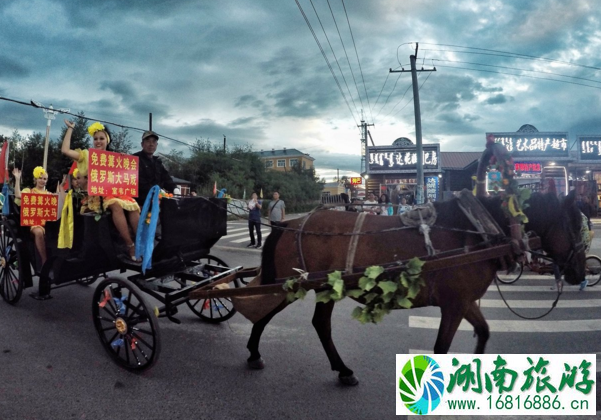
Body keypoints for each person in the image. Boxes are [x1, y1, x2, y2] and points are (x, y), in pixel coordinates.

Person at [61, 120, 141, 262]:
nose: (98, 142)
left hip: (114, 193)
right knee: (116, 204)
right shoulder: (86, 155)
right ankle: (130, 245)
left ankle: (141, 241)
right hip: (95, 198)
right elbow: (65, 151)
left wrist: (124, 161)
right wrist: (70, 129)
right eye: (95, 139)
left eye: (101, 138)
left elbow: (124, 178)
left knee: (134, 206)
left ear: (107, 140)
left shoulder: (113, 158)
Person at [13, 166, 56, 266]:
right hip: (34, 224)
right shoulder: (29, 191)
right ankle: (44, 260)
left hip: (48, 223)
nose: (42, 181)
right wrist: (17, 179)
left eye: (45, 179)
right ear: (35, 179)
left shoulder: (49, 194)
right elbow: (18, 195)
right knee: (39, 232)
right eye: (40, 178)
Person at [133, 130, 177, 206]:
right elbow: (138, 182)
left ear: (156, 145)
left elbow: (166, 178)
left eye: (153, 142)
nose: (151, 144)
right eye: (148, 141)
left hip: (157, 202)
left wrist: (175, 189)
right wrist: (157, 191)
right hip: (139, 203)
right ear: (142, 144)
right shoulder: (134, 159)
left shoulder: (158, 162)